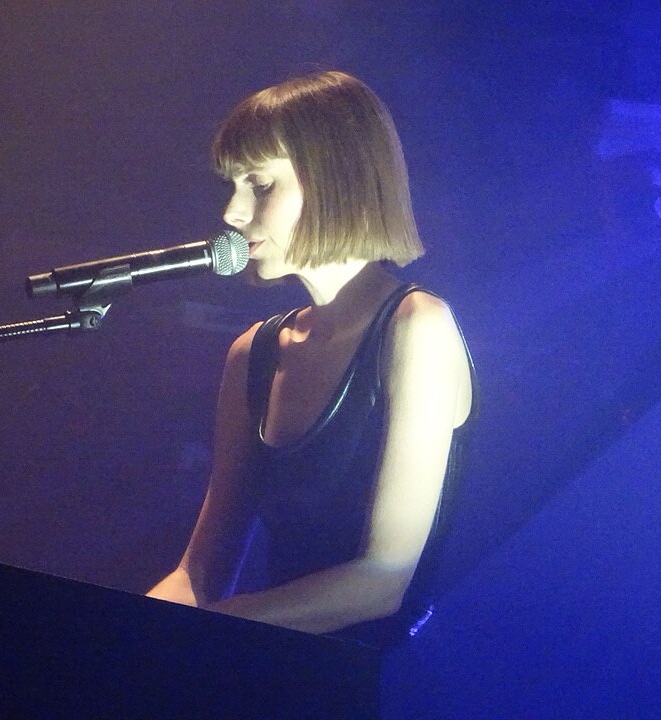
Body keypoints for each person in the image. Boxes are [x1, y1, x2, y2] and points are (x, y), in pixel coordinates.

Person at [147, 70, 475, 648]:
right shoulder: (253, 353)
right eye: (233, 185)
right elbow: (199, 573)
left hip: (378, 688)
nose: (232, 212)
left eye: (260, 184)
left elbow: (382, 580)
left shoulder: (418, 328)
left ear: (334, 181)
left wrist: (210, 630)